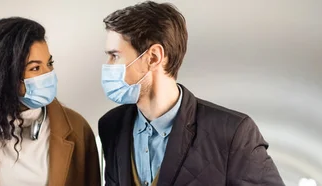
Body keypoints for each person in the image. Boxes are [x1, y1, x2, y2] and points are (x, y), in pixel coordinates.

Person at [98, 1, 285, 185]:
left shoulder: (233, 133)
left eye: (114, 55)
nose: (107, 66)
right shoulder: (111, 127)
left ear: (153, 57)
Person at [0, 17, 100, 186]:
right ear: (3, 77)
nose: (48, 74)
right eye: (35, 68)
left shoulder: (78, 128)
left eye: (49, 64)